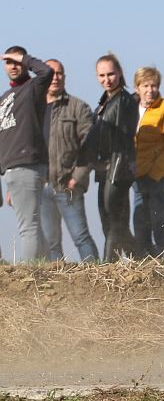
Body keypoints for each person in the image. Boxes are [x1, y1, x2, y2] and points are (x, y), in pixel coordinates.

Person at [41, 59, 100, 262]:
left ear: (64, 77)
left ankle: (96, 279)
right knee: (50, 241)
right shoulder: (33, 109)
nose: (55, 77)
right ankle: (59, 284)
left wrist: (78, 176)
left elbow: (90, 145)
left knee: (81, 237)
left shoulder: (78, 107)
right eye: (51, 73)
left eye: (59, 73)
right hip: (41, 185)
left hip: (67, 185)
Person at [0, 48, 56, 263]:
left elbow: (46, 72)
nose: (13, 66)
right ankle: (50, 267)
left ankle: (30, 274)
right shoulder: (5, 97)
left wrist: (26, 59)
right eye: (8, 62)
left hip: (28, 163)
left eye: (16, 61)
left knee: (28, 226)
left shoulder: (33, 87)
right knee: (32, 224)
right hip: (12, 168)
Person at [91, 53, 139, 260]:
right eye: (102, 75)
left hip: (118, 166)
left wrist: (118, 165)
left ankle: (107, 266)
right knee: (108, 221)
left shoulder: (125, 100)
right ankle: (143, 258)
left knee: (115, 222)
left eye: (111, 74)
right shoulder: (104, 102)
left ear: (120, 73)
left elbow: (124, 136)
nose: (107, 79)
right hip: (104, 167)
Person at [132, 66, 164, 261]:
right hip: (136, 178)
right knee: (140, 227)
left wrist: (155, 174)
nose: (150, 90)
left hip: (159, 179)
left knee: (160, 228)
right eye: (145, 85)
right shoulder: (130, 108)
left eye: (153, 86)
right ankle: (143, 267)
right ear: (137, 88)